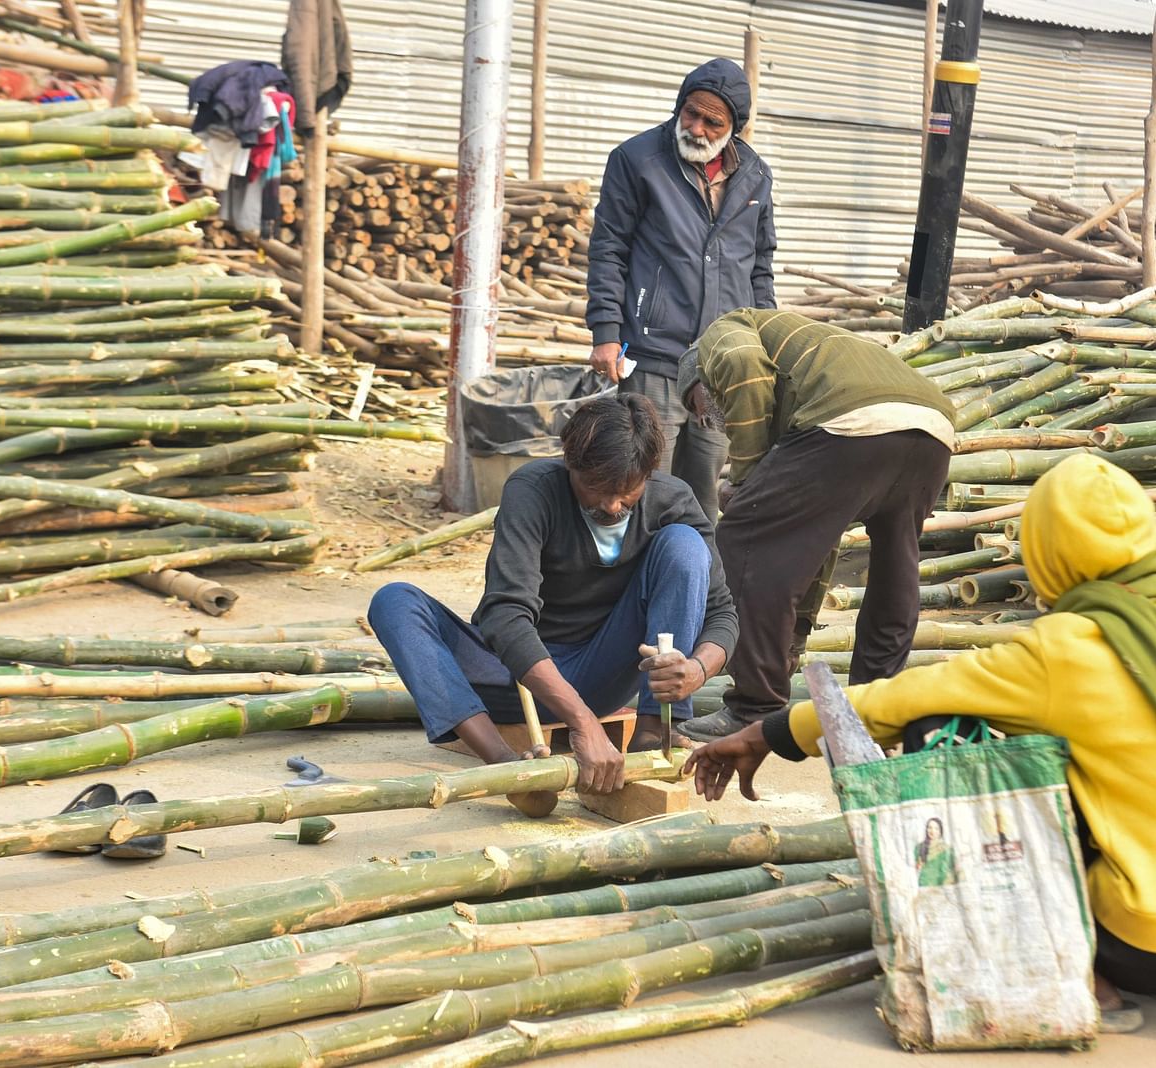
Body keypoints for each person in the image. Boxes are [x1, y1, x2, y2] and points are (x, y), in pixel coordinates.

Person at [684, 455, 1156, 1051]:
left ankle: (1090, 977)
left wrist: (768, 732)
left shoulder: (1071, 647)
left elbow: (908, 694)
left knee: (941, 732)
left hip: (1145, 941)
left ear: (1051, 547)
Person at [368, 394, 737, 814]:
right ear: (570, 464)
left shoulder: (674, 501)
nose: (611, 506)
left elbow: (722, 613)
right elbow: (505, 618)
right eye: (595, 488)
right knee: (394, 601)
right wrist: (582, 723)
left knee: (685, 547)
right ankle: (505, 766)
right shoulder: (534, 490)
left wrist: (698, 668)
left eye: (627, 493)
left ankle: (653, 733)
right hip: (513, 675)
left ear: (649, 474)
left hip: (601, 670)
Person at [671, 309, 955, 742]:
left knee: (743, 534)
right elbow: (815, 542)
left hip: (853, 419)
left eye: (703, 410)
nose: (714, 421)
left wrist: (744, 480)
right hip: (932, 426)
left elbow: (742, 365)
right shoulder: (808, 365)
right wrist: (796, 635)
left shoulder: (720, 336)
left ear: (700, 382)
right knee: (897, 565)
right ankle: (874, 704)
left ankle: (754, 707)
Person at [586, 58, 778, 521]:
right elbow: (608, 250)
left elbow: (760, 265)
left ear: (734, 127)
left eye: (713, 121)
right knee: (643, 485)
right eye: (691, 113)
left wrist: (765, 339)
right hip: (654, 354)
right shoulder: (637, 161)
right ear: (679, 107)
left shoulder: (755, 175)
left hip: (721, 361)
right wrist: (606, 332)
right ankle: (637, 585)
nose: (697, 127)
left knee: (704, 494)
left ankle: (698, 588)